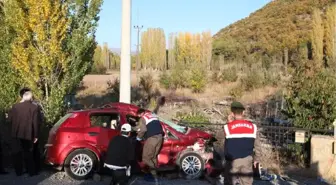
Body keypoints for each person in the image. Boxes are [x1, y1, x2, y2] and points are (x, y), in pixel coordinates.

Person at [223, 101, 261, 185]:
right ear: (243, 112)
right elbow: (257, 145)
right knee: (247, 183)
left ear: (232, 114)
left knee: (229, 182)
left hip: (232, 161)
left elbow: (224, 142)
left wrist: (228, 122)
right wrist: (256, 159)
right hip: (247, 160)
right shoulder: (253, 127)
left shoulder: (227, 127)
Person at [8, 88, 42, 176]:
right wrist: (36, 135)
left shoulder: (15, 107)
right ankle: (31, 171)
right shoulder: (34, 107)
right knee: (28, 153)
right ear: (30, 95)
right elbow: (36, 123)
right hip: (28, 134)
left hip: (16, 134)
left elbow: (9, 120)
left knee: (17, 153)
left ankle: (18, 172)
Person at [136, 107, 164, 184]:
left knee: (146, 158)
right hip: (160, 138)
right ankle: (154, 175)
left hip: (152, 138)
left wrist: (138, 138)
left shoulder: (143, 118)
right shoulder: (153, 115)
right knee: (153, 157)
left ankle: (154, 176)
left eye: (138, 116)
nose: (138, 117)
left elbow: (143, 130)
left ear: (141, 113)